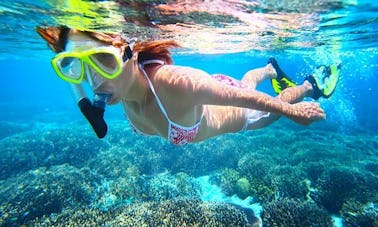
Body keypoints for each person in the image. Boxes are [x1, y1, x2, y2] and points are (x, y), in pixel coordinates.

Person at [36, 25, 340, 145]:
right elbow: (76, 70)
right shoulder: (120, 89)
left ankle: (310, 85)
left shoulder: (170, 82)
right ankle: (268, 69)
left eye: (103, 60)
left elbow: (242, 99)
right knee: (245, 83)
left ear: (130, 54)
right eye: (76, 66)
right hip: (212, 93)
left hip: (237, 114)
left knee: (269, 109)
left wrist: (292, 112)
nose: (94, 80)